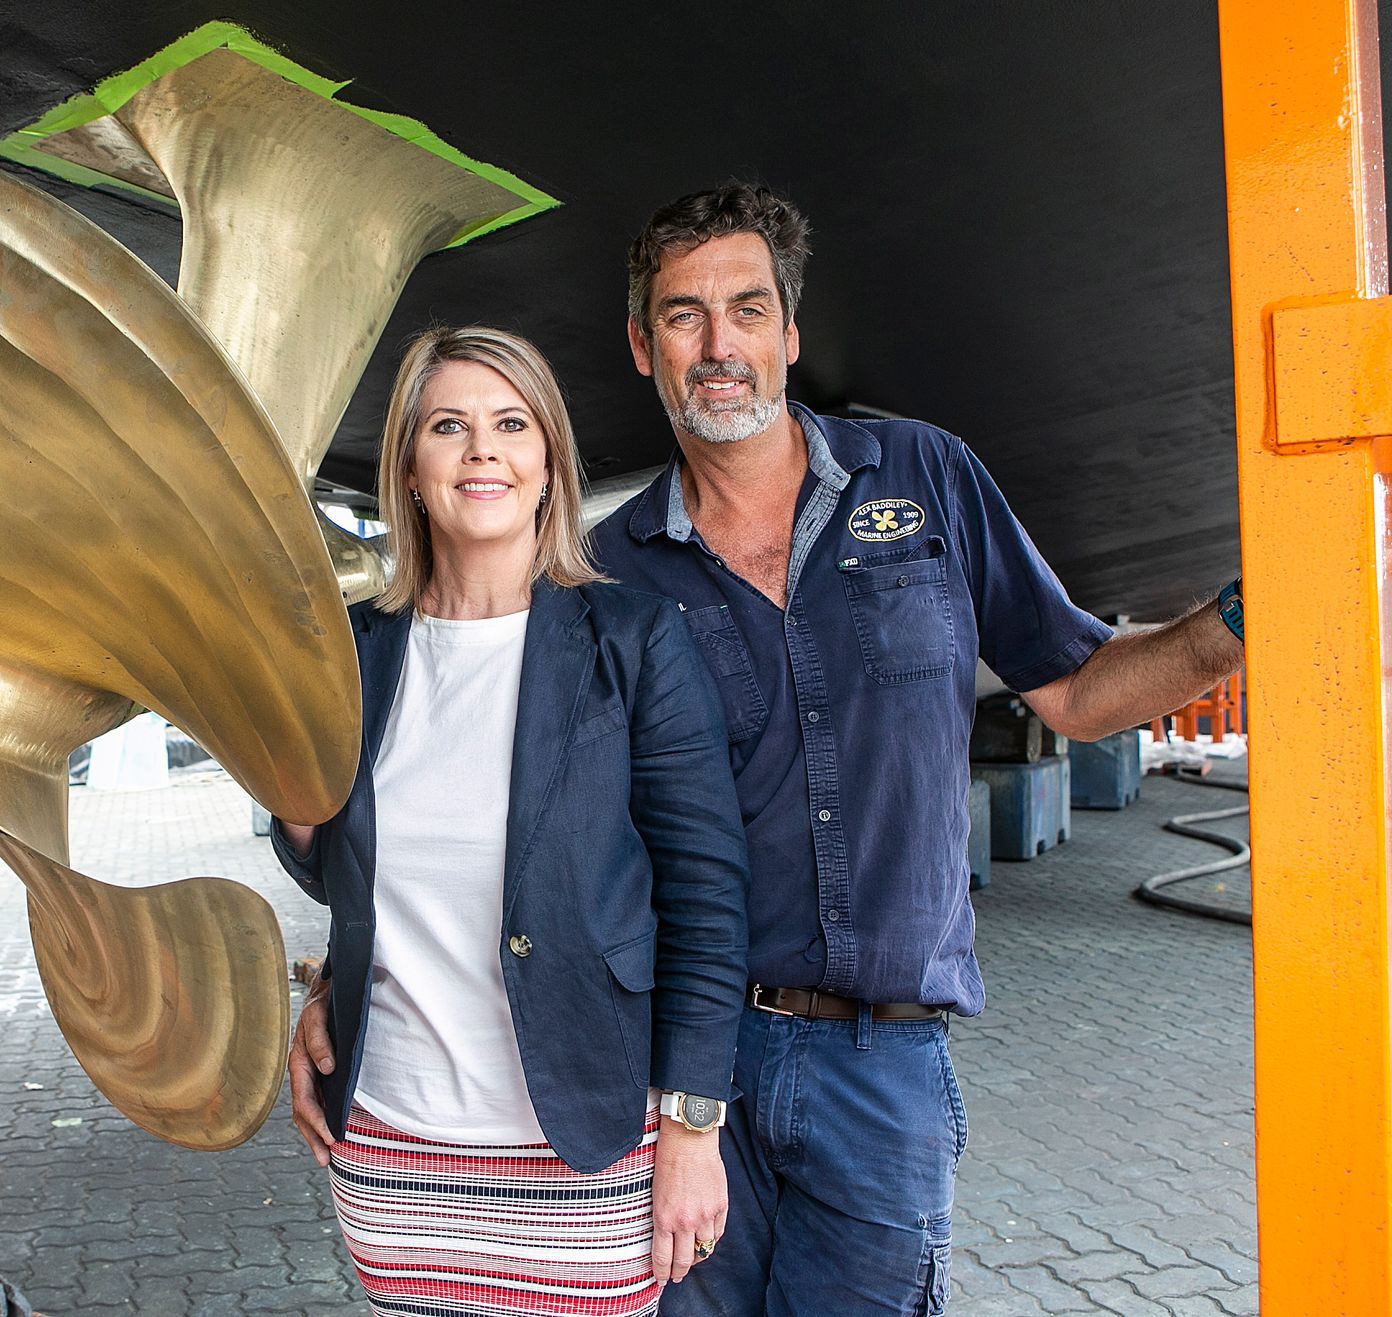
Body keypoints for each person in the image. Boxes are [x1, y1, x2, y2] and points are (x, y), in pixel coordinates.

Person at [292, 188, 1247, 1316]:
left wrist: (1243, 621)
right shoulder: (612, 580)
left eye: (747, 310)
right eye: (684, 317)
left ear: (790, 335)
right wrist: (359, 976)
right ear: (644, 348)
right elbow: (510, 833)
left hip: (880, 1061)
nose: (718, 345)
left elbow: (1081, 695)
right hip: (684, 1053)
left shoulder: (925, 480)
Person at [272, 325, 753, 1317]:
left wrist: (695, 1130)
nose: (482, 449)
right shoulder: (352, 657)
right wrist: (318, 989)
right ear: (410, 468)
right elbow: (333, 869)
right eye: (449, 426)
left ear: (547, 464)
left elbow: (707, 902)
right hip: (394, 1144)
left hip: (584, 1149)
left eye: (510, 424)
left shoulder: (634, 641)